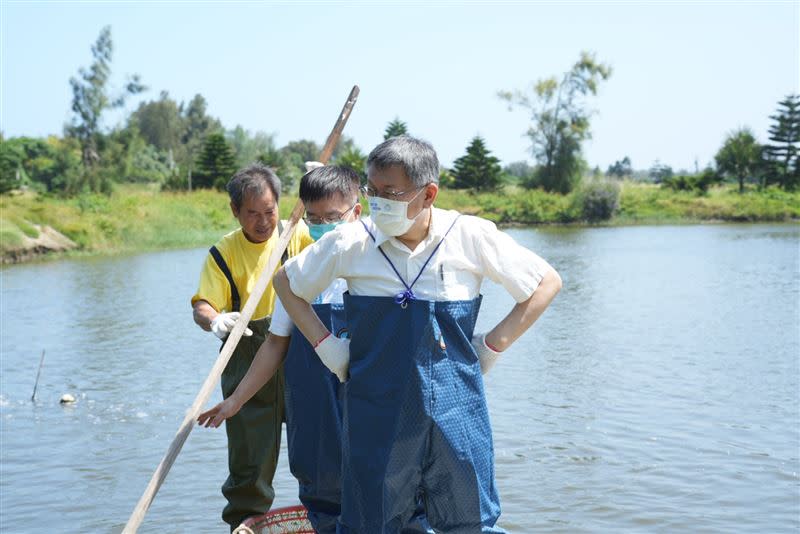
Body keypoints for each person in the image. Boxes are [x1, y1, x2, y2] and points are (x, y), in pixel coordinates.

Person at [273, 136, 563, 533]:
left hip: (456, 410)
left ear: (429, 194)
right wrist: (329, 349)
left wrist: (493, 345)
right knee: (369, 521)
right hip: (376, 412)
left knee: (470, 519)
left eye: (390, 193)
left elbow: (546, 282)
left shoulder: (469, 236)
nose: (378, 203)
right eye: (373, 191)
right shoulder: (352, 241)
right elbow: (286, 283)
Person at [191, 162, 314, 531]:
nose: (263, 222)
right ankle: (244, 524)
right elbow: (201, 305)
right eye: (253, 214)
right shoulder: (223, 252)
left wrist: (319, 184)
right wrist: (215, 320)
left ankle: (326, 516)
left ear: (280, 205)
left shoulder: (297, 234)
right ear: (235, 211)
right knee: (250, 457)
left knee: (317, 444)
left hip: (299, 353)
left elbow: (339, 244)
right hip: (245, 356)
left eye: (270, 211)